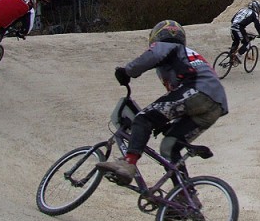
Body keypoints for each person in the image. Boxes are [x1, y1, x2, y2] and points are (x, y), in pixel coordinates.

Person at [95, 20, 228, 184]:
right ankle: (184, 196)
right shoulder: (187, 54)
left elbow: (153, 55)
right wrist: (165, 123)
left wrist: (127, 71)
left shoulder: (168, 46)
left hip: (197, 90)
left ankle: (128, 163)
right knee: (169, 147)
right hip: (215, 105)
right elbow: (179, 103)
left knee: (143, 118)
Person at [229, 0, 260, 64]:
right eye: (259, 9)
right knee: (247, 43)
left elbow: (232, 19)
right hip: (239, 28)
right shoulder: (254, 14)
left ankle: (231, 57)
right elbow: (257, 25)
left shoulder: (242, 9)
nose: (259, 11)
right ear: (256, 7)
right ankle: (238, 56)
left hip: (232, 27)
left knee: (236, 41)